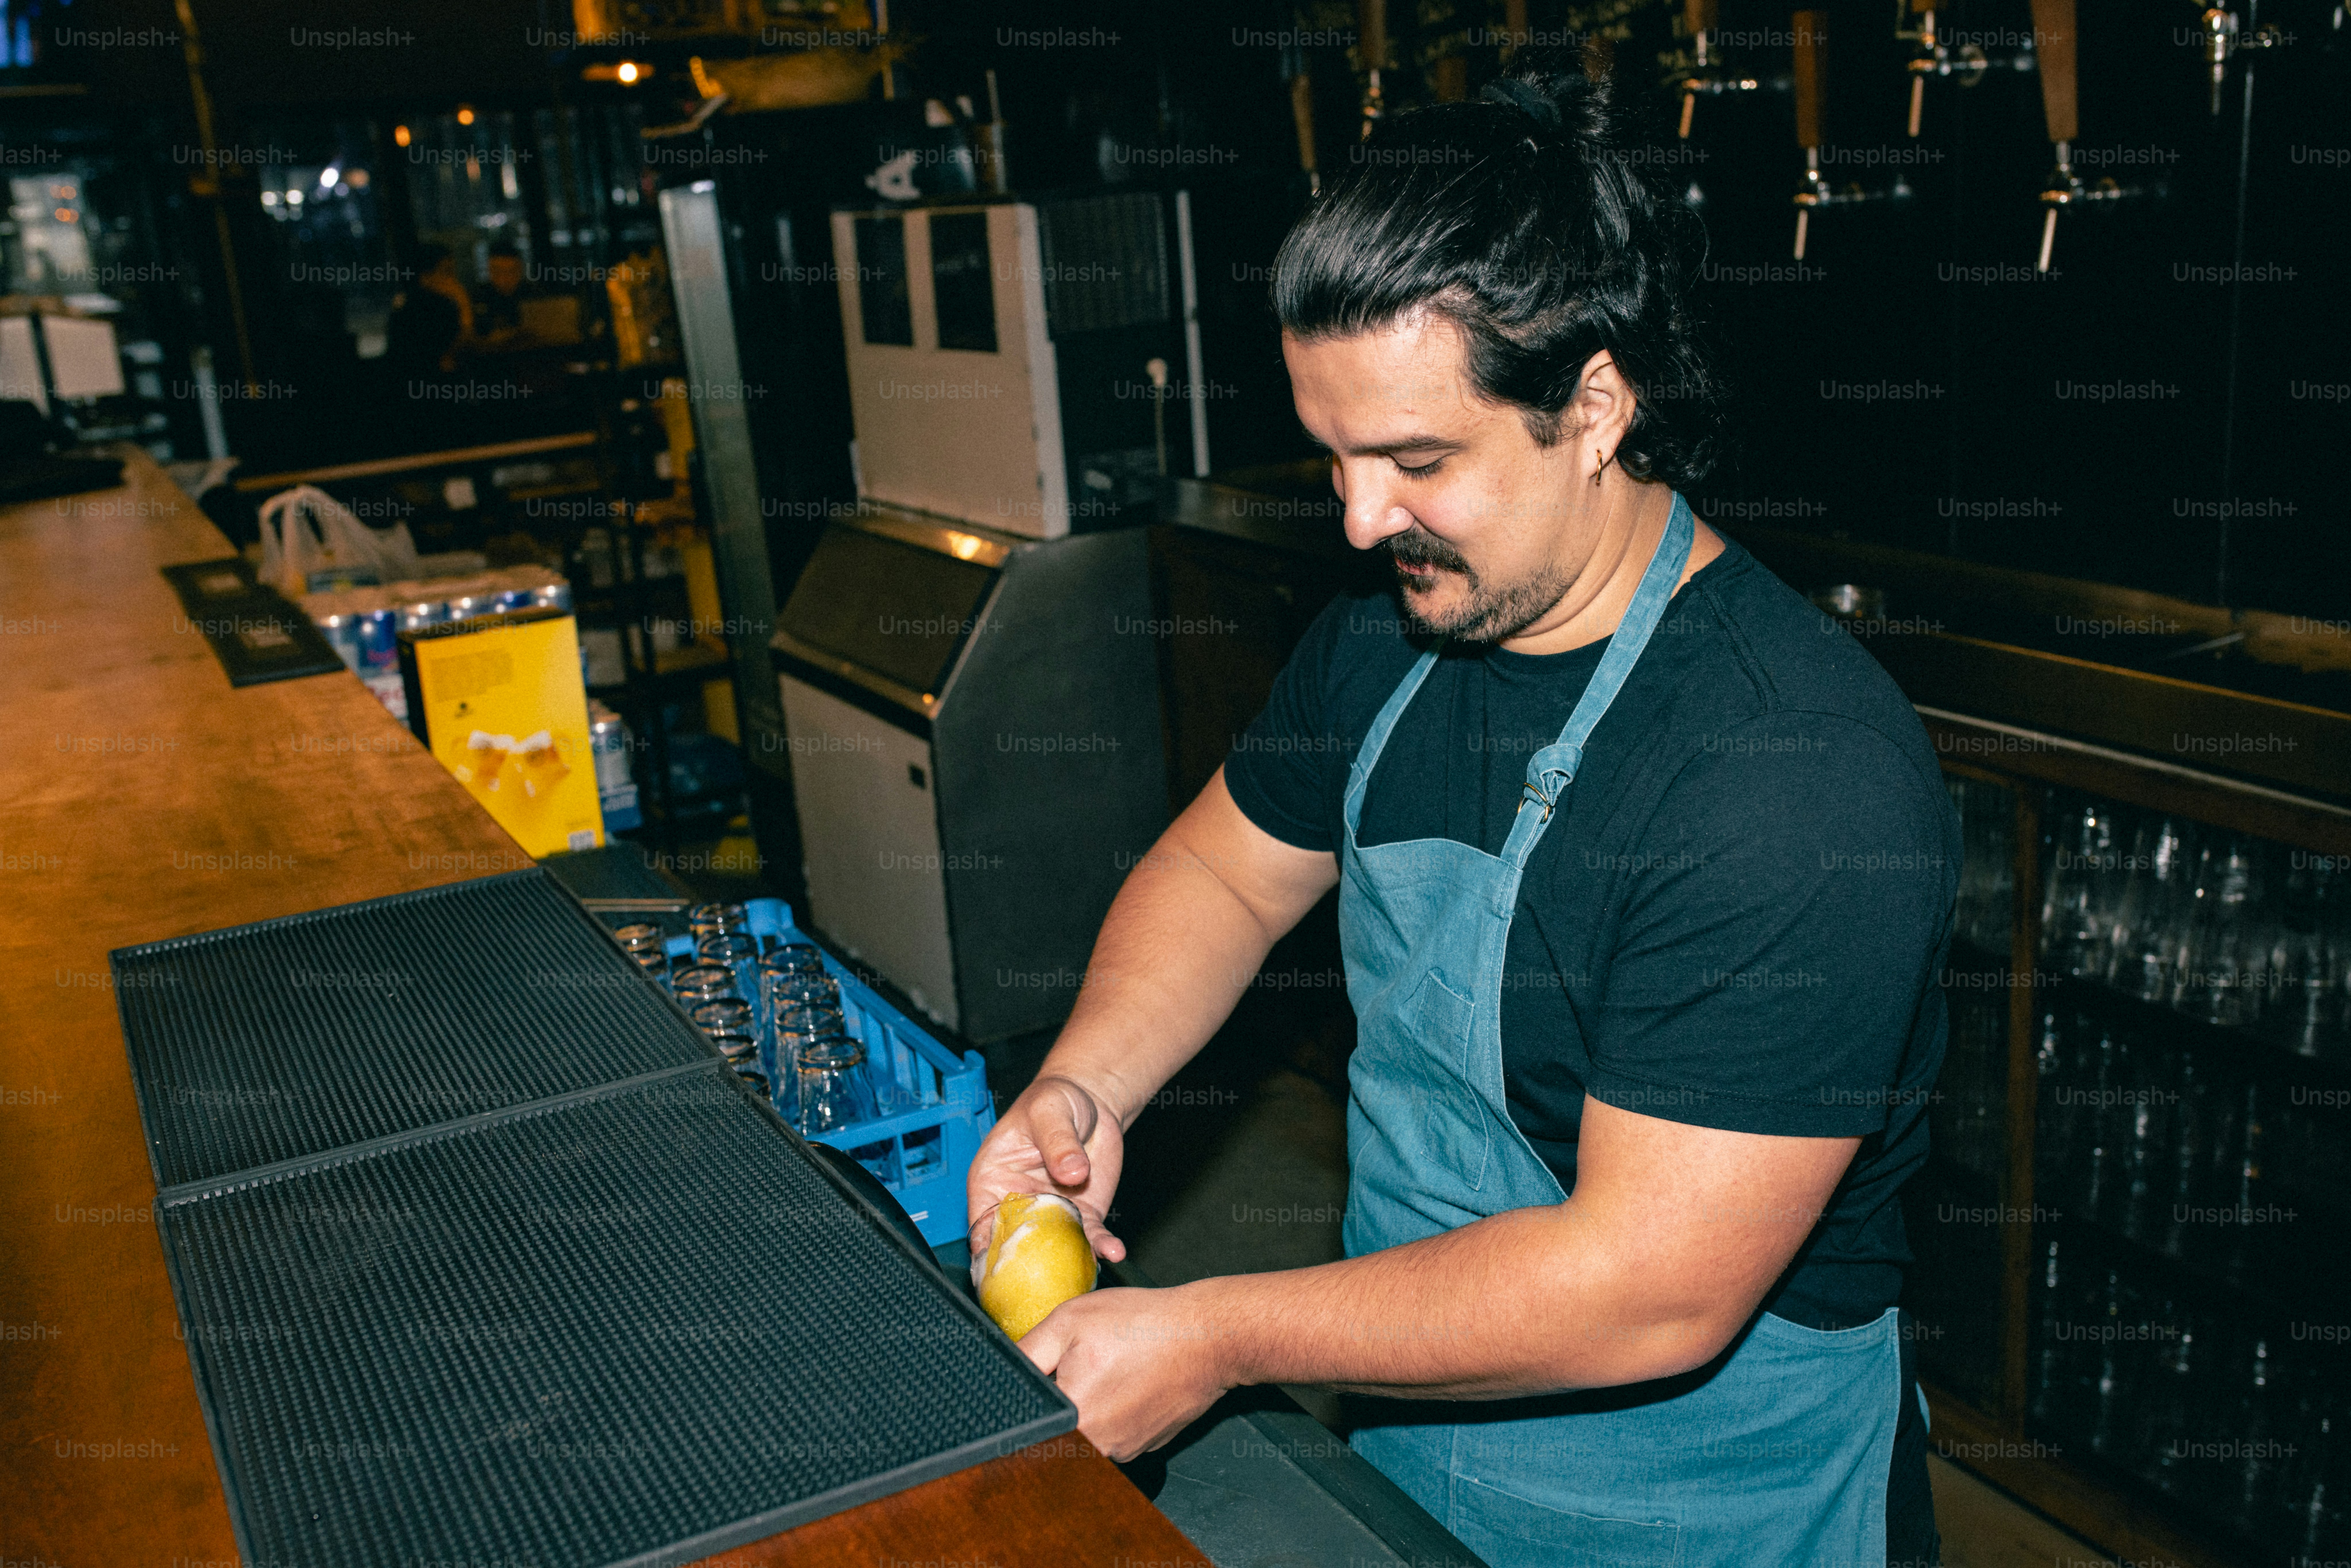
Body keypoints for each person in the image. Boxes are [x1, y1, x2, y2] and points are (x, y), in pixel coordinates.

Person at [965, 48, 1956, 1568]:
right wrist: (1087, 1084)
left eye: (1418, 459)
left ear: (1597, 404)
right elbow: (1225, 875)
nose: (1363, 522)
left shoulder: (1793, 773)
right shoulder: (1391, 636)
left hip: (1710, 1507)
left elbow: (1649, 1282)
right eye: (1338, 458)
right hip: (1415, 1439)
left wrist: (1223, 1332)